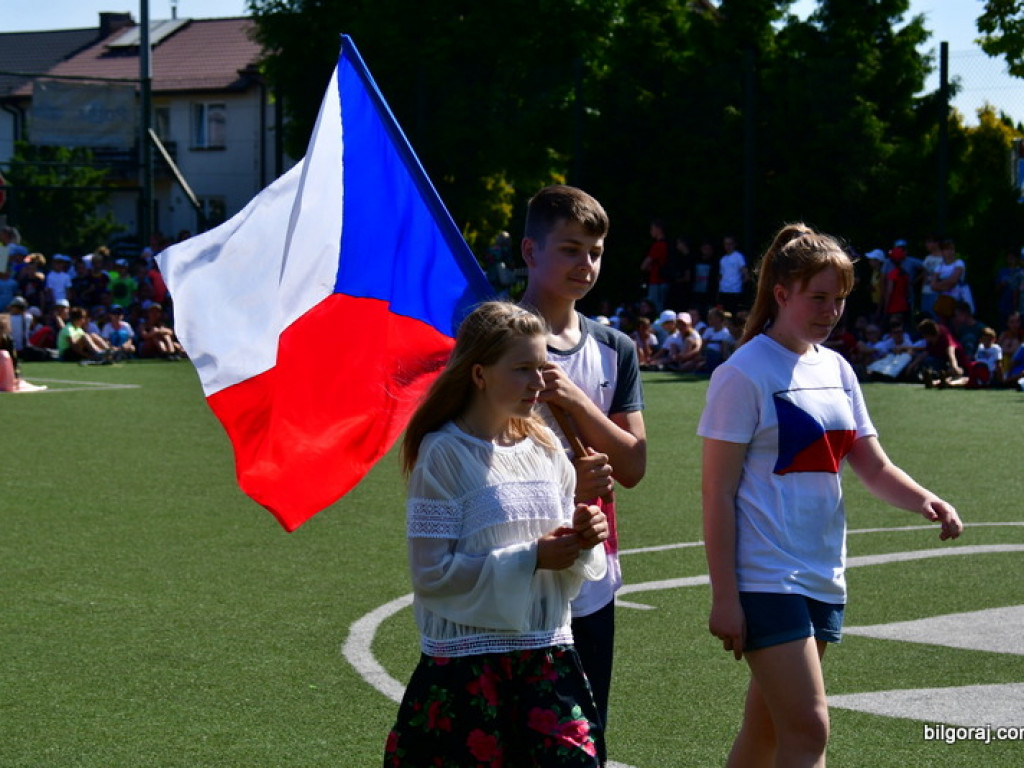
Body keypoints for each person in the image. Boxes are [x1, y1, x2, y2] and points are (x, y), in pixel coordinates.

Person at [698, 222, 963, 768]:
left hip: (823, 571)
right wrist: (725, 597)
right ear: (781, 293)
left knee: (766, 729)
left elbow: (872, 464)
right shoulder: (742, 373)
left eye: (839, 299)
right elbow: (716, 492)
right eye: (818, 297)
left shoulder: (837, 368)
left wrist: (924, 499)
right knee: (810, 730)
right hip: (766, 575)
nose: (830, 311)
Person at [382, 301, 609, 767]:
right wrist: (532, 557)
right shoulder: (443, 452)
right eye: (522, 368)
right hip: (469, 671)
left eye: (542, 367)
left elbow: (564, 541)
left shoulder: (546, 446)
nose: (538, 382)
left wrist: (585, 534)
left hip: (549, 656)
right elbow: (431, 574)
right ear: (480, 374)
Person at [519, 184, 646, 765]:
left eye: (595, 252)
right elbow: (473, 450)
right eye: (570, 249)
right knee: (512, 734)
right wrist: (571, 471)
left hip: (592, 573)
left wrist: (576, 401)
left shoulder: (614, 348)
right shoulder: (491, 340)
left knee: (586, 737)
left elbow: (634, 463)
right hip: (517, 565)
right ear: (529, 252)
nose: (586, 265)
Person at [640, 219, 670, 312]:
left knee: (655, 306)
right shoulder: (668, 245)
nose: (651, 231)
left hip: (657, 281)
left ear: (659, 229)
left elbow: (645, 265)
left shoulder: (658, 245)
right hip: (663, 281)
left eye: (652, 229)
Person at [718, 235, 749, 313]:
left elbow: (745, 273)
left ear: (734, 244)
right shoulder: (723, 259)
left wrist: (739, 284)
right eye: (726, 244)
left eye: (730, 244)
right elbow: (721, 275)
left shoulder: (738, 256)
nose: (728, 246)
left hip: (735, 292)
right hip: (723, 291)